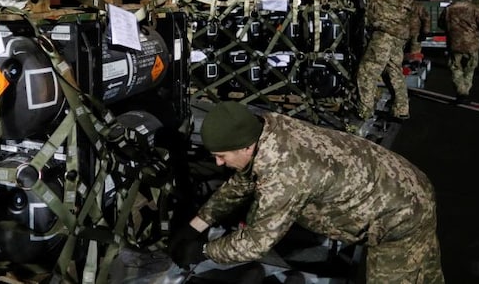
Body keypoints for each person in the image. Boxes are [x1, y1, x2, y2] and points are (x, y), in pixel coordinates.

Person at [168, 101, 445, 283]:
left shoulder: (283, 172)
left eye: (221, 156)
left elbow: (255, 243)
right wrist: (197, 225)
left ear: (244, 147)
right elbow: (242, 182)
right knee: (425, 274)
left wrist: (203, 252)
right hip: (407, 184)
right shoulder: (267, 127)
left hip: (398, 215)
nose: (218, 163)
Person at [348, 0, 418, 119]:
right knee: (393, 70)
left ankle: (364, 111)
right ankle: (402, 109)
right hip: (398, 32)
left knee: (367, 71)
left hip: (386, 31)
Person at [438, 0, 479, 104]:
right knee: (470, 68)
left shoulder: (449, 9)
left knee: (455, 67)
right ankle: (465, 90)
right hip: (472, 44)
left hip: (454, 43)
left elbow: (441, 24)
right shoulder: (475, 8)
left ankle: (461, 90)